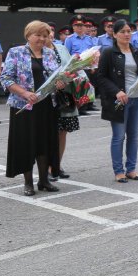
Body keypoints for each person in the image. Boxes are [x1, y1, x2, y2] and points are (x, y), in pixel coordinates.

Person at [0, 21, 65, 196]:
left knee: (44, 143)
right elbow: (5, 78)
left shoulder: (50, 53)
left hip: (46, 106)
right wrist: (24, 93)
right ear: (28, 35)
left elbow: (58, 76)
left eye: (45, 36)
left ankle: (44, 180)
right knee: (26, 144)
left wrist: (60, 83)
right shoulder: (16, 52)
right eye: (38, 35)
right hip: (24, 106)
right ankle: (28, 183)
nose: (42, 39)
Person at [94, 19, 138, 183]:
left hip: (137, 98)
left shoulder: (137, 51)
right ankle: (119, 171)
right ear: (115, 34)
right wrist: (117, 91)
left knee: (133, 136)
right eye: (123, 31)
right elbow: (101, 77)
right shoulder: (108, 52)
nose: (127, 34)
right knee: (119, 136)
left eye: (129, 31)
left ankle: (131, 169)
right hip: (119, 100)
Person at [47, 24, 81, 181]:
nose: (50, 34)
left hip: (65, 95)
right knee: (49, 132)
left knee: (62, 132)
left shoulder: (61, 48)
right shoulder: (35, 50)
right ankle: (47, 166)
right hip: (47, 97)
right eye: (46, 32)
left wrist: (78, 69)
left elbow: (71, 67)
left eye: (52, 31)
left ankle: (57, 165)